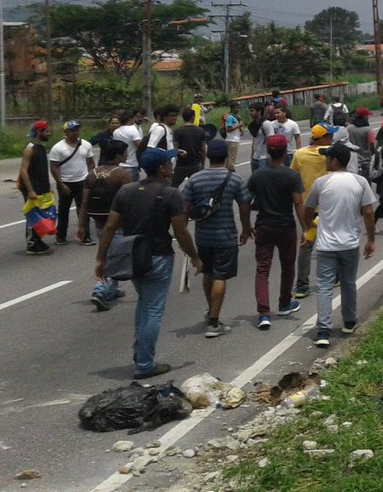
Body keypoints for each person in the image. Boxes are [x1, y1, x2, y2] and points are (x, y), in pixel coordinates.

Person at [95, 147, 202, 379]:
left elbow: (111, 227)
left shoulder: (126, 191)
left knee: (144, 304)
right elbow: (180, 231)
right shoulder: (171, 193)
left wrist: (100, 258)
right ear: (162, 168)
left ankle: (139, 352)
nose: (172, 165)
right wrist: (194, 256)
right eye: (169, 162)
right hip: (159, 256)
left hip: (132, 256)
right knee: (153, 310)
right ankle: (144, 364)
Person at [303, 142, 378, 347]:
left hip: (326, 245)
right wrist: (370, 239)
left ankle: (323, 330)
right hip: (350, 244)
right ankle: (349, 321)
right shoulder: (360, 181)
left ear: (334, 160)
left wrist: (308, 226)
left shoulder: (321, 183)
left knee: (325, 286)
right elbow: (369, 212)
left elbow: (308, 208)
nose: (325, 160)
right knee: (348, 283)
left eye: (328, 157)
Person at [179, 139, 251, 338]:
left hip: (203, 237)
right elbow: (244, 208)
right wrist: (246, 229)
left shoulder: (194, 179)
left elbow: (184, 210)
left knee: (208, 273)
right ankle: (213, 322)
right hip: (225, 235)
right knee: (220, 276)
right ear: (227, 156)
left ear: (207, 156)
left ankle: (212, 310)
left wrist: (182, 234)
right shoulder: (234, 179)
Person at [246, 134, 306, 330]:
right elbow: (298, 202)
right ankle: (284, 303)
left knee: (262, 269)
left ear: (268, 151)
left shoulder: (257, 175)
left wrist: (246, 227)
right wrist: (305, 228)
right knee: (288, 265)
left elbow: (246, 202)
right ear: (285, 150)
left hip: (264, 225)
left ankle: (264, 313)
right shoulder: (291, 175)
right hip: (286, 225)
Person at [81, 140, 131, 310]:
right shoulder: (122, 175)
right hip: (118, 223)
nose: (127, 154)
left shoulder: (92, 174)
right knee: (113, 257)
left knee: (109, 253)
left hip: (99, 221)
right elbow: (130, 201)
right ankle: (100, 290)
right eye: (124, 152)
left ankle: (112, 288)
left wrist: (81, 226)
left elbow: (85, 202)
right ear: (117, 155)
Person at [290, 124, 334, 298]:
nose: (331, 138)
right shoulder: (330, 152)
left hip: (308, 209)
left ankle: (301, 286)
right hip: (328, 208)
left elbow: (293, 175)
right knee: (332, 243)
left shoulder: (299, 154)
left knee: (306, 245)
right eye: (329, 135)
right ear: (322, 138)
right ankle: (335, 277)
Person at [49, 119, 96, 246]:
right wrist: (60, 183)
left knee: (83, 209)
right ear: (66, 132)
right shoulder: (58, 148)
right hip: (66, 182)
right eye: (72, 130)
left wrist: (91, 178)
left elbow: (90, 163)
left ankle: (85, 236)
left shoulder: (85, 145)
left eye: (77, 130)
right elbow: (54, 167)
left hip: (82, 182)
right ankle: (60, 236)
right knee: (63, 210)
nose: (75, 133)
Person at [18, 120, 54, 255]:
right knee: (32, 215)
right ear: (39, 132)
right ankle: (32, 242)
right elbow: (23, 171)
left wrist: (48, 187)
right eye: (46, 131)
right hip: (32, 188)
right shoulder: (30, 148)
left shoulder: (41, 148)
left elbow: (41, 170)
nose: (49, 133)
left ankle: (38, 239)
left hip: (42, 188)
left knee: (42, 215)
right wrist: (30, 190)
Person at [172, 108, 207, 188]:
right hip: (196, 164)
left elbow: (175, 149)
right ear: (193, 117)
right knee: (198, 187)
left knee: (173, 186)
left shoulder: (177, 131)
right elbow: (203, 149)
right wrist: (203, 164)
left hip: (181, 164)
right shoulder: (200, 130)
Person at [112, 110, 145, 180]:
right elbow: (139, 145)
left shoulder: (116, 132)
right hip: (131, 164)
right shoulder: (133, 129)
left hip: (119, 164)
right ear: (130, 119)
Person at [222, 102, 244, 169]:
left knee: (230, 158)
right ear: (232, 108)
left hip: (235, 139)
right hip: (232, 140)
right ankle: (230, 172)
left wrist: (241, 130)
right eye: (237, 108)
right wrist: (239, 126)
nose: (238, 110)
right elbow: (228, 129)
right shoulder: (230, 117)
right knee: (231, 159)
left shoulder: (236, 116)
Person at [247, 103, 268, 172]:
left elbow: (271, 140)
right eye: (249, 111)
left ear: (259, 112)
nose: (250, 113)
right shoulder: (252, 125)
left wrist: (271, 158)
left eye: (252, 111)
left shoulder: (266, 124)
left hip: (264, 158)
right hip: (255, 158)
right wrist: (252, 157)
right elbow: (254, 141)